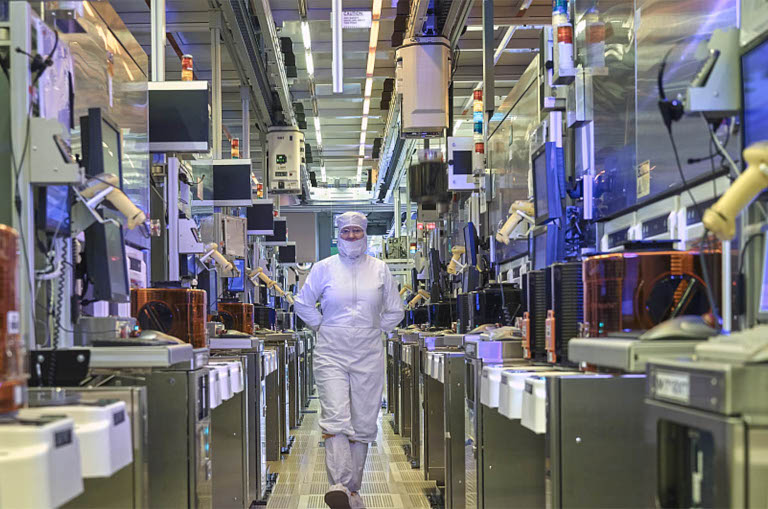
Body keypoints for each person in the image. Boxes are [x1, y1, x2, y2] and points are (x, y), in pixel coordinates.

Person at [294, 211, 404, 509]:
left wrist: (374, 329)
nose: (352, 237)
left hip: (368, 353)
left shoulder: (380, 269)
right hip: (331, 351)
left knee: (363, 422)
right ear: (338, 235)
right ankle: (340, 484)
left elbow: (396, 311)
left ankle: (352, 491)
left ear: (365, 234)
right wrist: (322, 326)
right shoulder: (323, 268)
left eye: (357, 231)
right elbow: (302, 303)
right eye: (346, 232)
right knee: (335, 417)